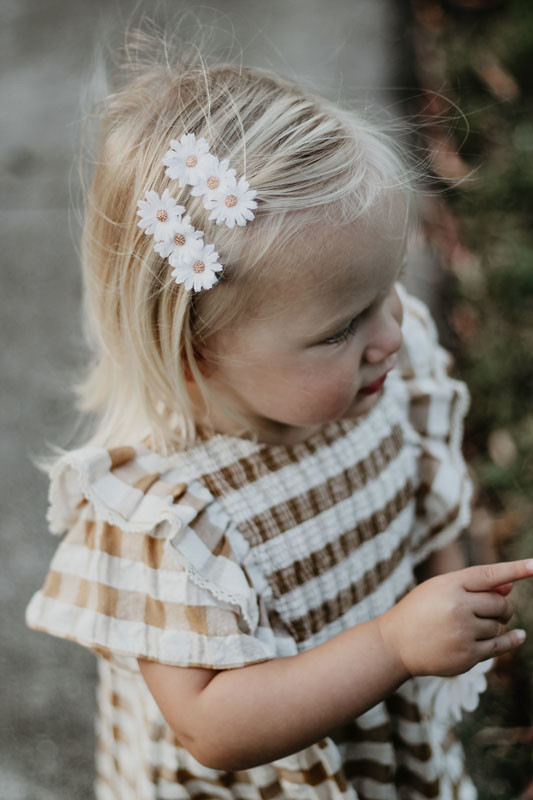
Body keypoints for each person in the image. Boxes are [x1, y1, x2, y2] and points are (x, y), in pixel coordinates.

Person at [26, 26, 531, 800]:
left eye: (388, 288)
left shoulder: (387, 375)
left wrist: (449, 587)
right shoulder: (166, 519)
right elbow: (213, 729)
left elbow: (426, 498)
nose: (390, 336)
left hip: (384, 746)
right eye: (341, 328)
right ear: (197, 357)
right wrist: (394, 645)